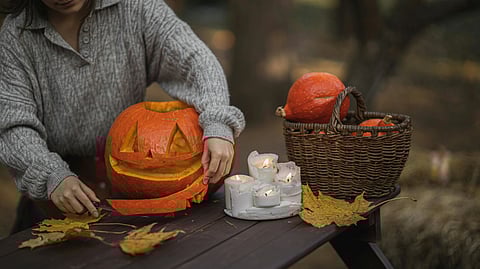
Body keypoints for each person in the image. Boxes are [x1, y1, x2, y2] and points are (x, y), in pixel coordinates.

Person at [0, 0, 245, 230]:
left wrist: (218, 119)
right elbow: (13, 125)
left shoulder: (136, 7)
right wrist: (50, 175)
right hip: (55, 198)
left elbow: (196, 60)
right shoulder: (15, 35)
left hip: (134, 194)